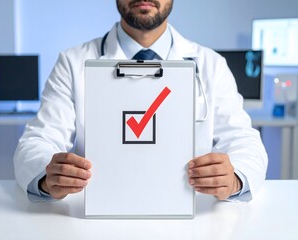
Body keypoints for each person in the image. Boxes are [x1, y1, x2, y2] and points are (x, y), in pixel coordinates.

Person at [14, 0, 268, 202]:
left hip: (190, 218)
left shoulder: (210, 64)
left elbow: (244, 141)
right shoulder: (73, 63)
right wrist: (47, 178)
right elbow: (38, 140)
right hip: (97, 217)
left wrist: (234, 178)